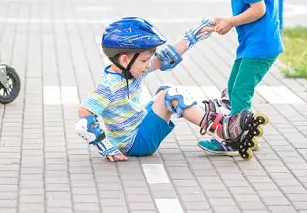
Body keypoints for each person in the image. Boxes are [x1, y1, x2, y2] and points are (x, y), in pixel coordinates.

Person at [75, 16, 267, 162]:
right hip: (134, 143)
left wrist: (194, 36)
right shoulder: (110, 85)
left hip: (139, 129)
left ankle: (218, 121)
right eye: (144, 61)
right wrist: (106, 147)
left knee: (164, 91)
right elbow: (84, 114)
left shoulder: (131, 69)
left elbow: (163, 58)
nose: (147, 65)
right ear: (125, 59)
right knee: (170, 95)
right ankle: (224, 129)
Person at [196, 0, 283, 156]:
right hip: (252, 45)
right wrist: (225, 21)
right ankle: (239, 126)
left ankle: (235, 137)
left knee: (241, 89)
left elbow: (258, 9)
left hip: (261, 46)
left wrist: (231, 22)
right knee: (233, 87)